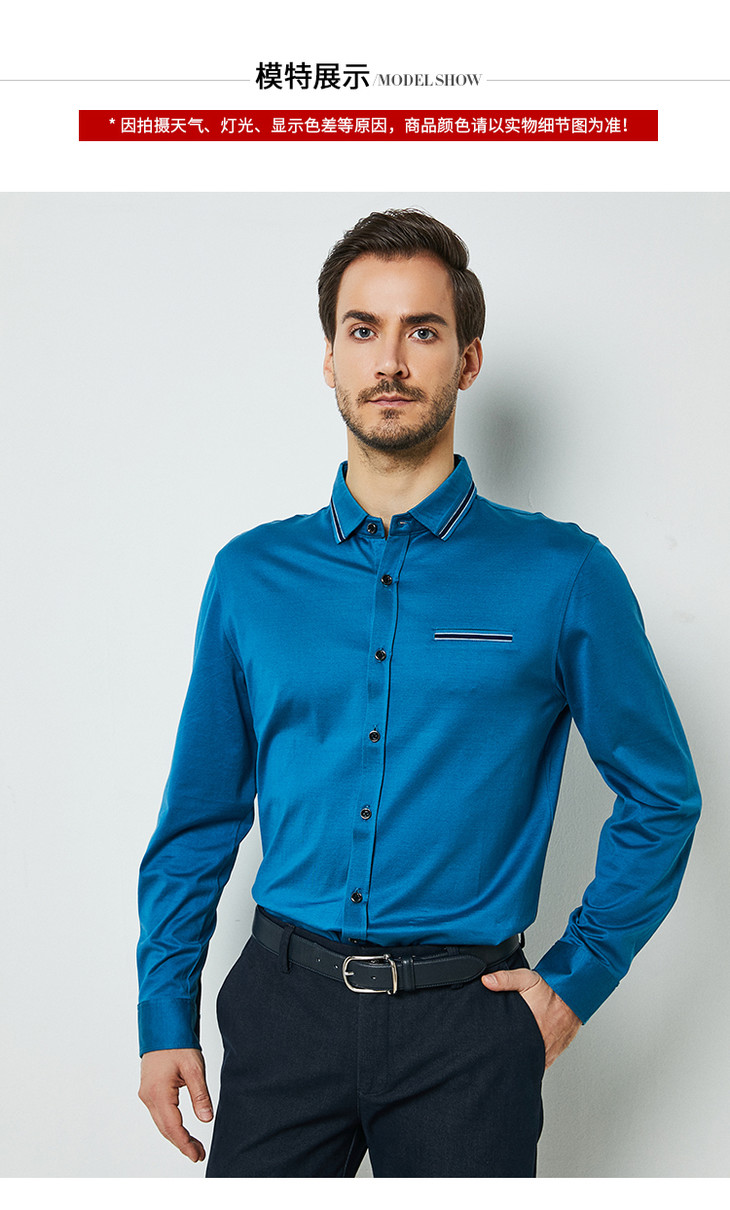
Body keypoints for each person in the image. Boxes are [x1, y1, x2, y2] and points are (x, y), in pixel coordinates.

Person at [137, 209, 701, 1178]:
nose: (390, 360)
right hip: (281, 1011)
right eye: (363, 329)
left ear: (467, 360)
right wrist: (164, 1013)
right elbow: (198, 818)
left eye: (422, 331)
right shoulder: (250, 577)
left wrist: (576, 980)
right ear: (329, 357)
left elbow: (661, 795)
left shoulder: (564, 574)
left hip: (467, 1031)